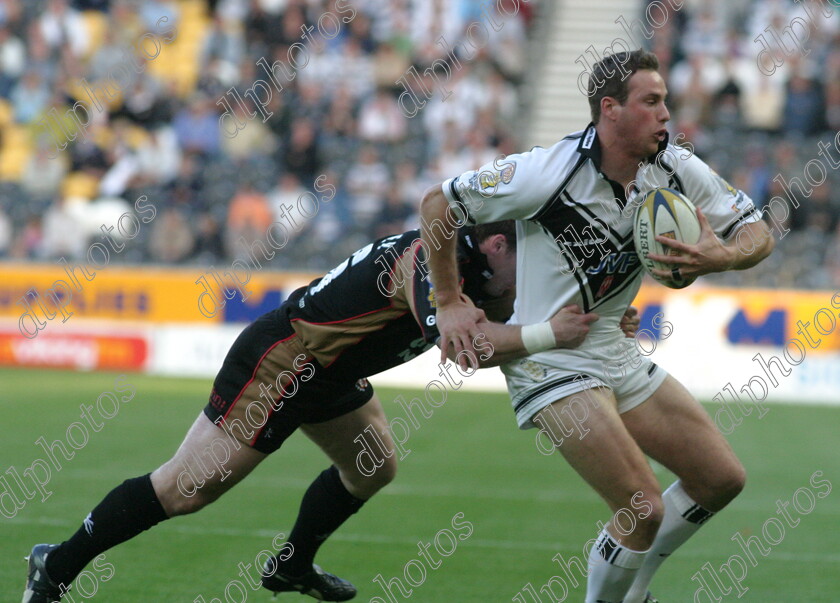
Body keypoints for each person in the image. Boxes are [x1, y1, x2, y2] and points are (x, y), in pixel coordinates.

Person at [23, 221, 611, 603]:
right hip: (285, 361)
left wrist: (596, 321)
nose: (530, 279)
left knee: (373, 465)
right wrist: (549, 335)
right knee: (185, 490)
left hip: (330, 372)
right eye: (527, 260)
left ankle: (291, 566)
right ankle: (56, 565)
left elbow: (516, 320)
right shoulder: (429, 264)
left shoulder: (481, 267)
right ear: (496, 245)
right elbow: (468, 350)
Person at [419, 49, 775, 603]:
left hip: (612, 348)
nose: (666, 114)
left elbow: (756, 227)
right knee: (642, 506)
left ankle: (634, 592)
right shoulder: (549, 171)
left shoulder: (676, 167)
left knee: (720, 479)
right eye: (651, 102)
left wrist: (722, 257)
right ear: (610, 110)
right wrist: (449, 300)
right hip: (550, 360)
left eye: (665, 101)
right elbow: (437, 205)